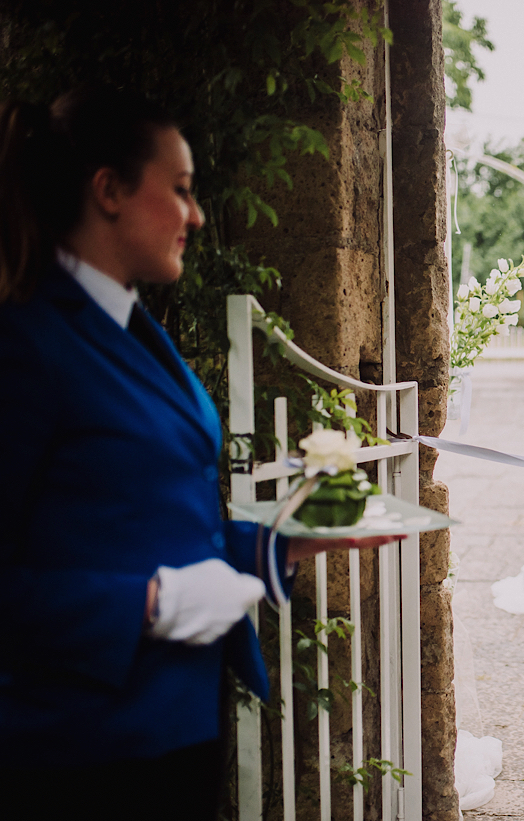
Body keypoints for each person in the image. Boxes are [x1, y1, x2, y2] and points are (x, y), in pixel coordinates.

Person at [0, 87, 401, 820]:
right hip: (84, 751)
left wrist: (289, 539)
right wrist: (149, 605)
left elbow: (160, 526)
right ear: (109, 190)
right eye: (181, 190)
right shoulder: (27, 340)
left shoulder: (131, 326)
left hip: (182, 725)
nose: (197, 216)